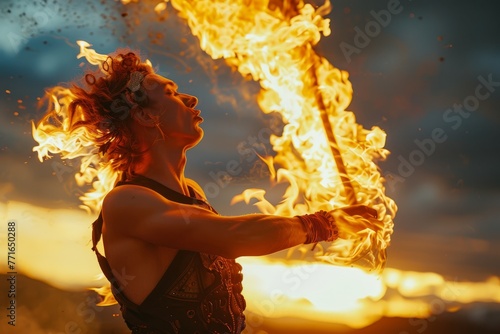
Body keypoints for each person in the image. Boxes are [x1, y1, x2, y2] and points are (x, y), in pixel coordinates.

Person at [60, 50, 378, 333]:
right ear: (144, 115)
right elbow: (236, 236)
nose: (190, 99)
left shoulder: (191, 192)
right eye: (171, 93)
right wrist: (324, 224)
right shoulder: (126, 202)